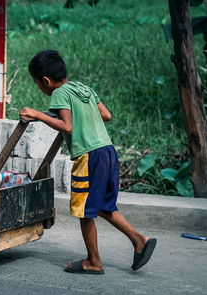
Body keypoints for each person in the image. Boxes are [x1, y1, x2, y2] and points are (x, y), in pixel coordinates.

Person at [20, 50, 156, 274]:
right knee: (103, 206)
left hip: (89, 156)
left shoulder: (60, 93)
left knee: (85, 212)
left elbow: (67, 126)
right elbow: (106, 115)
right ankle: (139, 240)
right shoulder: (83, 88)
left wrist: (38, 114)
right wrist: (82, 114)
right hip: (108, 151)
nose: (39, 87)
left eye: (37, 83)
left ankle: (94, 262)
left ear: (45, 81)